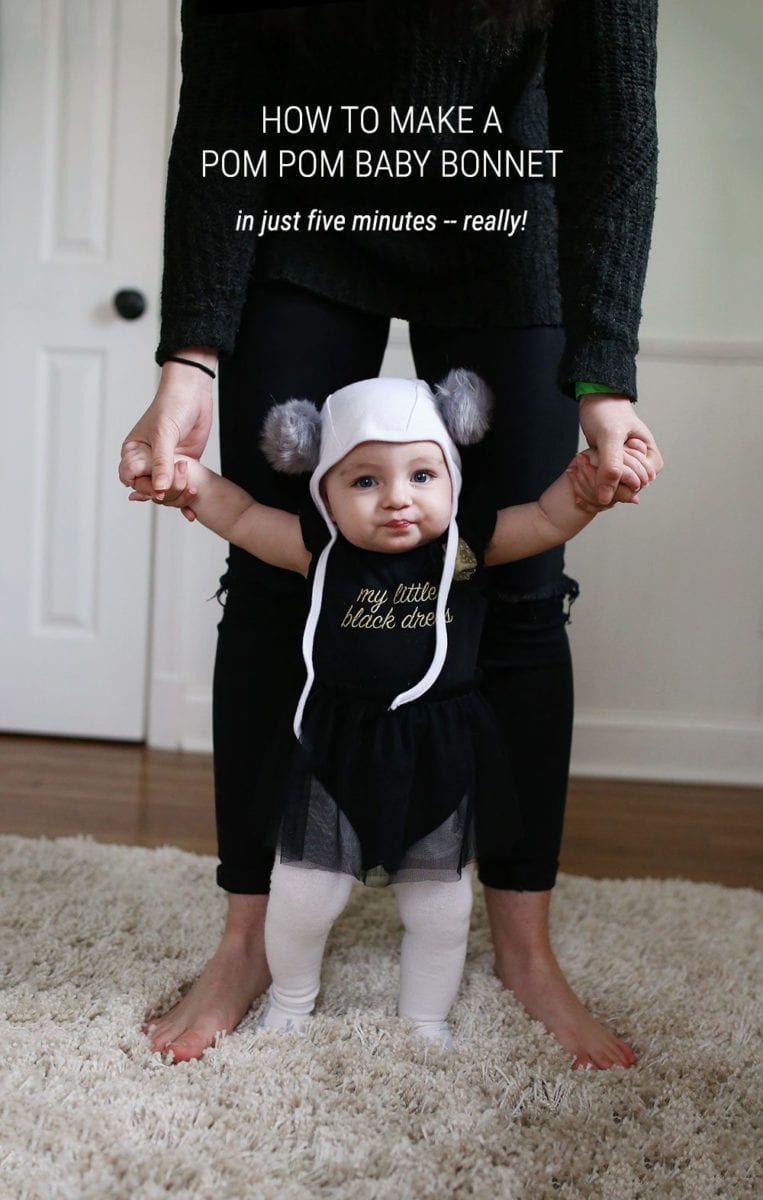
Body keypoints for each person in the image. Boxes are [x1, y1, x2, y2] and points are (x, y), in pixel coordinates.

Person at [120, 0, 664, 1069]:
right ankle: (246, 940)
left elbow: (613, 127)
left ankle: (524, 948)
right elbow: (223, 106)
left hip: (508, 211)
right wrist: (191, 356)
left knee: (519, 587)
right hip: (304, 204)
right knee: (275, 578)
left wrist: (602, 377)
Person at [131, 372, 652, 1048]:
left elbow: (549, 519)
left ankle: (424, 1019)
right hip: (333, 753)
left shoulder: (464, 550)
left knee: (439, 909)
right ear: (324, 493)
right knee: (301, 898)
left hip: (437, 754)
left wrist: (587, 490)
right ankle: (290, 1000)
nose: (397, 499)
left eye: (421, 475)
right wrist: (190, 481)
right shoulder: (321, 554)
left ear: (452, 478)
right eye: (365, 481)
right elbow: (238, 516)